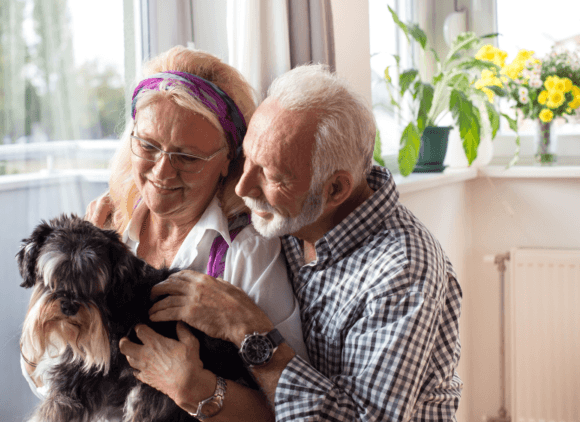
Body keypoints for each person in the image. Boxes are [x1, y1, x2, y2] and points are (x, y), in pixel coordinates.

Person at [140, 64, 463, 421]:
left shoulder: (402, 272)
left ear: (336, 189)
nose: (242, 188)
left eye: (272, 176)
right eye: (247, 159)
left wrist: (247, 329)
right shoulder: (295, 219)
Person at [21, 46, 308, 422]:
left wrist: (197, 386)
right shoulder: (106, 226)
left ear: (229, 160)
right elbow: (47, 370)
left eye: (188, 157)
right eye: (148, 145)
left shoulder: (247, 253)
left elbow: (291, 407)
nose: (162, 171)